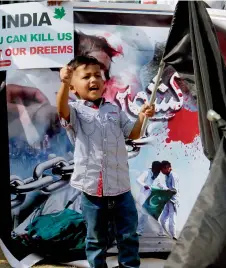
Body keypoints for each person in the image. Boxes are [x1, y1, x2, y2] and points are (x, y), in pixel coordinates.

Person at [56, 55, 155, 268]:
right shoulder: (75, 112)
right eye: (86, 76)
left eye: (98, 75)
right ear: (73, 87)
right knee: (95, 240)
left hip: (121, 188)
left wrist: (142, 117)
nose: (94, 80)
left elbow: (134, 134)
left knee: (128, 235)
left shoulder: (114, 110)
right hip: (92, 190)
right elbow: (61, 109)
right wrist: (63, 84)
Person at [136, 161, 162, 235]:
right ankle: (139, 231)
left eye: (159, 171)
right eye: (156, 171)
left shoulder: (158, 175)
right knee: (142, 214)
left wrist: (166, 189)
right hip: (143, 196)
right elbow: (138, 180)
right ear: (153, 169)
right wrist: (144, 185)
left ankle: (160, 231)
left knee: (154, 213)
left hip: (152, 197)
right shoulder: (146, 172)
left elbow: (159, 184)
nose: (157, 173)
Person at [156, 161, 179, 239]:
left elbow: (174, 191)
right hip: (168, 200)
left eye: (162, 169)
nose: (161, 171)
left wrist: (164, 190)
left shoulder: (173, 176)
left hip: (173, 201)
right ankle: (163, 233)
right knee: (162, 219)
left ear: (166, 168)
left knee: (172, 221)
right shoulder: (167, 175)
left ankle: (174, 236)